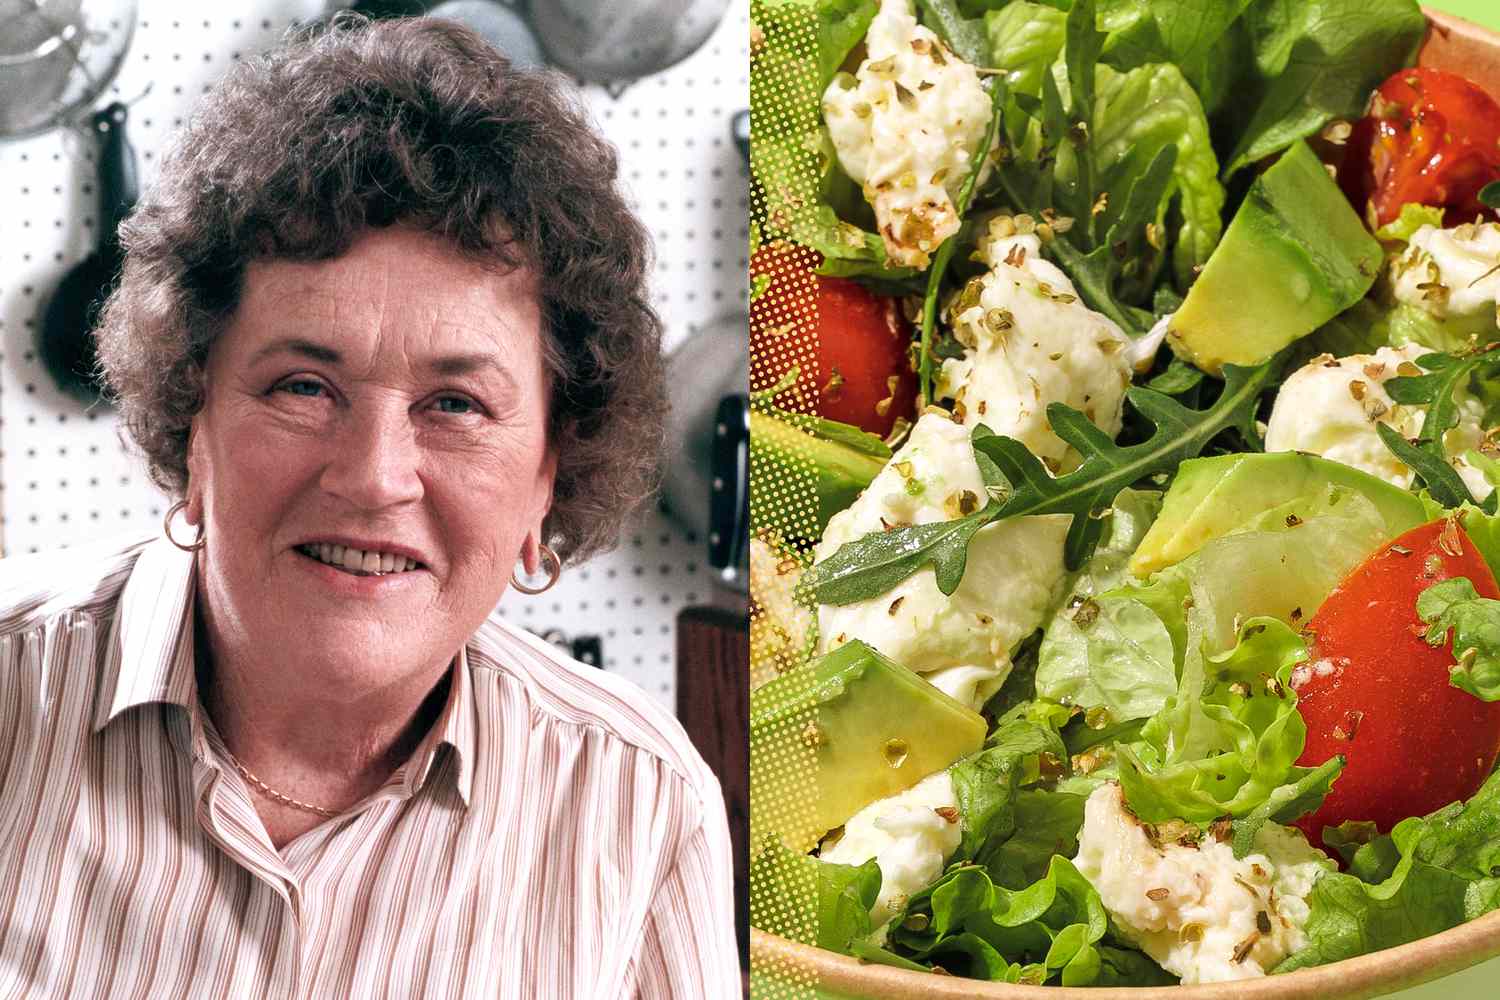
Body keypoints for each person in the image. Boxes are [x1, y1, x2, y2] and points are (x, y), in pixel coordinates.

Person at [0, 15, 738, 999]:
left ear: (549, 473)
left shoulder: (639, 802)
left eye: (456, 404)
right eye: (305, 385)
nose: (373, 475)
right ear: (194, 416)